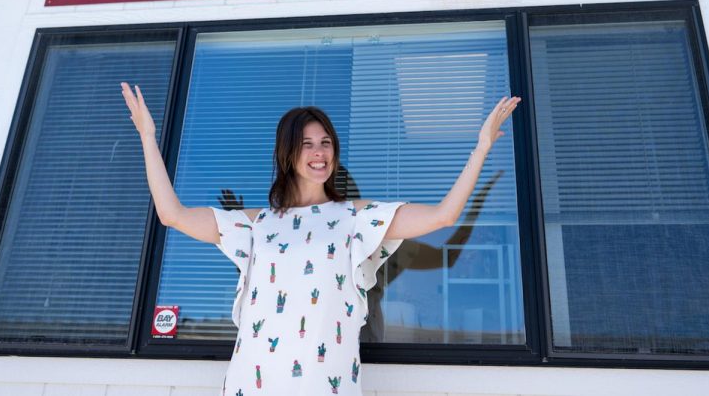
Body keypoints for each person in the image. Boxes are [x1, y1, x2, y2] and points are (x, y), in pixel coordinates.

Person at [120, 81, 520, 395]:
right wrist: (148, 137)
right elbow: (171, 214)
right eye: (307, 143)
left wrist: (481, 147)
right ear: (287, 153)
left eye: (325, 142)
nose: (319, 152)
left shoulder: (354, 218)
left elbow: (442, 215)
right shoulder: (257, 223)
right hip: (252, 383)